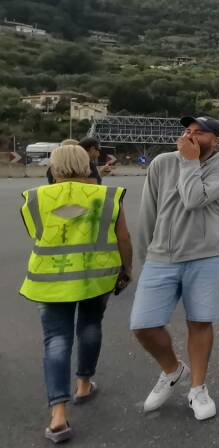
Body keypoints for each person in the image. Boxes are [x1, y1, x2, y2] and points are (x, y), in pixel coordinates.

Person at [20, 144, 133, 443]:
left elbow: (36, 233)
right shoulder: (107, 196)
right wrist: (127, 270)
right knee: (91, 326)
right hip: (96, 276)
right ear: (87, 164)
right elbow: (123, 236)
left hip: (50, 279)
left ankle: (58, 414)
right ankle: (83, 384)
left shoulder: (34, 198)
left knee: (56, 340)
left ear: (53, 167)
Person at [130, 116, 219, 421]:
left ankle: (198, 388)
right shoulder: (162, 163)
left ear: (215, 140)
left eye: (199, 132)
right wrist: (145, 254)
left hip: (205, 256)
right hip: (161, 256)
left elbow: (193, 199)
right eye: (187, 130)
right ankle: (172, 369)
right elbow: (148, 210)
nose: (190, 134)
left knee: (200, 321)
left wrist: (190, 162)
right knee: (143, 325)